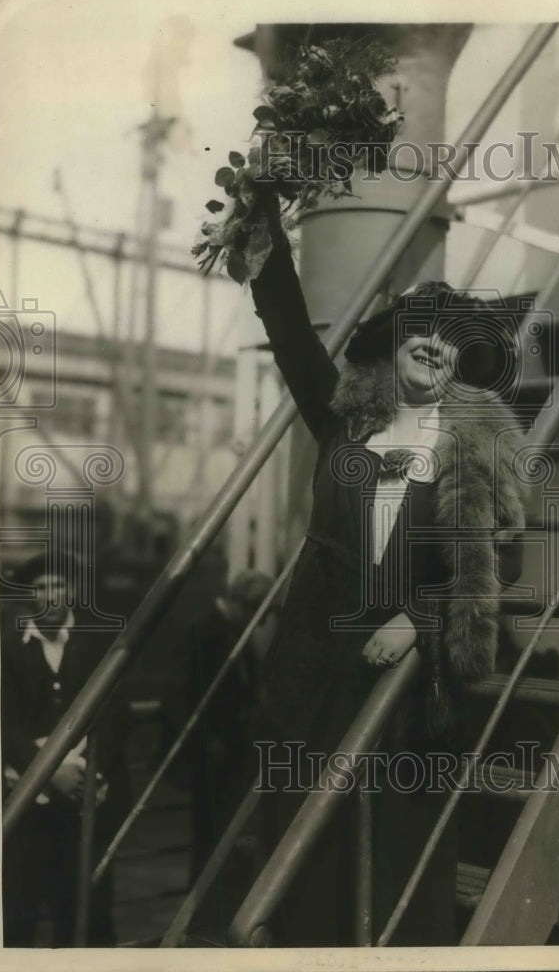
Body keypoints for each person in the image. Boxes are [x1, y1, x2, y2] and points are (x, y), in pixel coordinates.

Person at [244, 194, 526, 947]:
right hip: (315, 678)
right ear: (395, 340)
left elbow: (503, 561)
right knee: (305, 864)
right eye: (423, 329)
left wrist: (418, 619)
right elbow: (291, 334)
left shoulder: (475, 449)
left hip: (405, 698)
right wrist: (259, 218)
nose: (435, 345)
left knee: (392, 864)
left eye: (453, 340)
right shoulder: (344, 421)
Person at [1, 549, 131, 946]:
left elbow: (115, 714)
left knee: (88, 910)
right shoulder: (6, 647)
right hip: (27, 801)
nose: (51, 595)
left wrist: (89, 771)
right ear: (30, 595)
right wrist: (48, 773)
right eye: (41, 587)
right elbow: (2, 724)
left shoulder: (102, 643)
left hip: (88, 797)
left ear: (72, 591)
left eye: (58, 585)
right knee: (18, 910)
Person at [162, 569, 279, 882]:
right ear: (245, 605)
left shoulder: (234, 632)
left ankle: (216, 897)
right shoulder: (203, 632)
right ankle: (204, 903)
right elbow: (177, 695)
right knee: (210, 839)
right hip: (212, 757)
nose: (262, 623)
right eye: (261, 613)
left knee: (226, 837)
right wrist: (205, 742)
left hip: (232, 754)